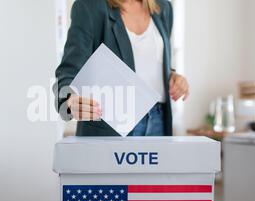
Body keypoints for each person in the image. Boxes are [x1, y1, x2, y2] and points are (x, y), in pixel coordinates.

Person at [54, 0, 189, 136]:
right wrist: (70, 100)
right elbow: (69, 71)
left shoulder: (164, 7)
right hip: (110, 127)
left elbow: (152, 61)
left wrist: (172, 76)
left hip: (159, 122)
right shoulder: (90, 7)